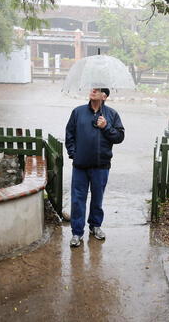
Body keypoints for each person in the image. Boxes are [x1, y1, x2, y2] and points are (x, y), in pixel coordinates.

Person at [65, 87, 125, 247]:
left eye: (97, 90)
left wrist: (106, 126)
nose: (93, 91)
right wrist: (73, 154)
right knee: (78, 200)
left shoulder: (111, 115)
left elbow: (120, 137)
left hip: (101, 165)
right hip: (80, 165)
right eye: (92, 89)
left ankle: (95, 226)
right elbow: (69, 134)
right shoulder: (78, 112)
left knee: (97, 199)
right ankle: (77, 233)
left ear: (104, 96)